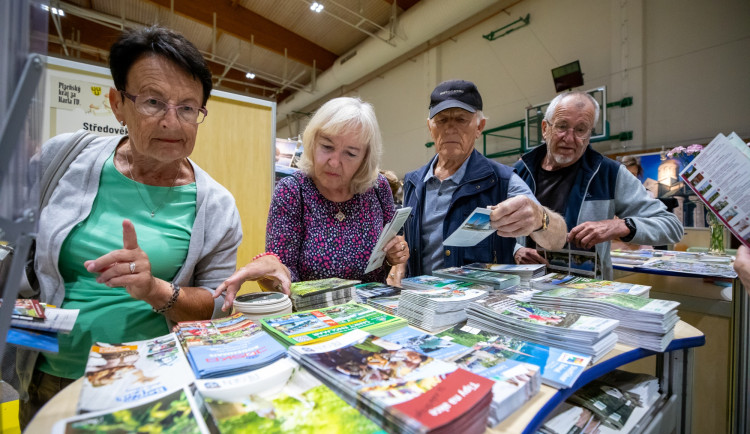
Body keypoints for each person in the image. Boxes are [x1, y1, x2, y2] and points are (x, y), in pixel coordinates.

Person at [15, 25, 285, 426]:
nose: (171, 123)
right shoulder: (63, 159)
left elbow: (215, 305)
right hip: (50, 374)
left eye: (188, 107)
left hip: (153, 379)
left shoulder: (216, 205)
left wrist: (154, 289)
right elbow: (18, 244)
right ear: (118, 103)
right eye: (153, 101)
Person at [214, 97, 408, 308]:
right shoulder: (292, 191)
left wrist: (393, 254)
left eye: (350, 153)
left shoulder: (377, 187)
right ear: (312, 142)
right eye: (327, 146)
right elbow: (283, 276)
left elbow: (387, 249)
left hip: (373, 313)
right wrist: (271, 269)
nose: (334, 162)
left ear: (365, 158)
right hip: (314, 319)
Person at [399, 80, 567, 277]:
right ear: (430, 127)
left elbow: (558, 239)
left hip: (478, 305)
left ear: (479, 127)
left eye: (461, 119)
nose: (450, 128)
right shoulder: (413, 183)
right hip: (421, 300)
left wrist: (541, 218)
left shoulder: (503, 181)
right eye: (442, 120)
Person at [513, 91, 683, 280]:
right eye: (562, 126)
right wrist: (516, 250)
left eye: (581, 130)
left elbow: (671, 227)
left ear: (590, 134)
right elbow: (492, 229)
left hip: (586, 294)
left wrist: (620, 226)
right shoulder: (520, 172)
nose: (569, 138)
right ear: (545, 128)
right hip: (525, 288)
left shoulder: (610, 173)